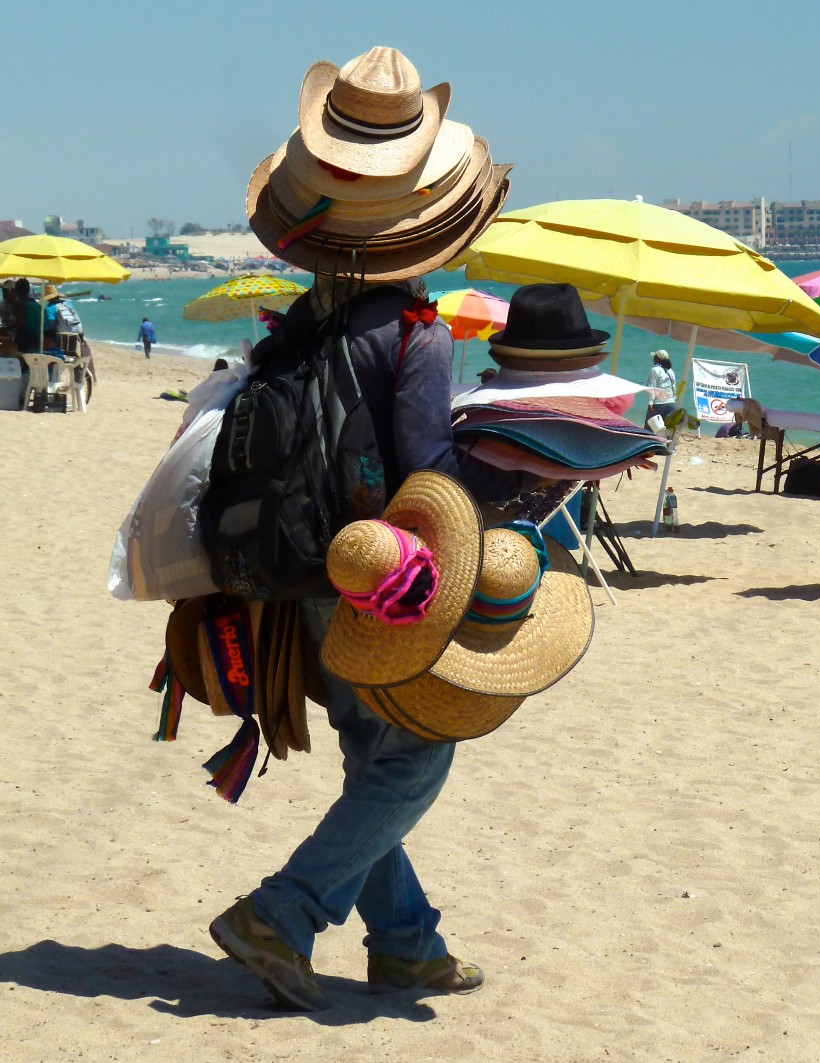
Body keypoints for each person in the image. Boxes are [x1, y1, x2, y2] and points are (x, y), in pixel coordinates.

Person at [203, 45, 522, 1010]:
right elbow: (428, 475)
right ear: (429, 217)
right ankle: (283, 913)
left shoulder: (305, 323)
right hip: (383, 581)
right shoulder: (415, 332)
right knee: (415, 760)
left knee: (370, 759)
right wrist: (510, 478)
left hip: (309, 571)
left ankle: (407, 944)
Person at [645, 349, 676, 425]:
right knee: (667, 428)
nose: (653, 359)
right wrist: (673, 400)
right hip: (671, 403)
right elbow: (674, 388)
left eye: (654, 357)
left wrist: (650, 403)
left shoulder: (654, 370)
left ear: (657, 358)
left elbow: (653, 387)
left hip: (658, 404)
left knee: (649, 427)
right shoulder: (671, 371)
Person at [13, 278, 42, 352]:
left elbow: (20, 321)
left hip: (24, 338)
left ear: (16, 290)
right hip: (36, 336)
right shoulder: (33, 301)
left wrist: (10, 327)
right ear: (28, 289)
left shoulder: (18, 303)